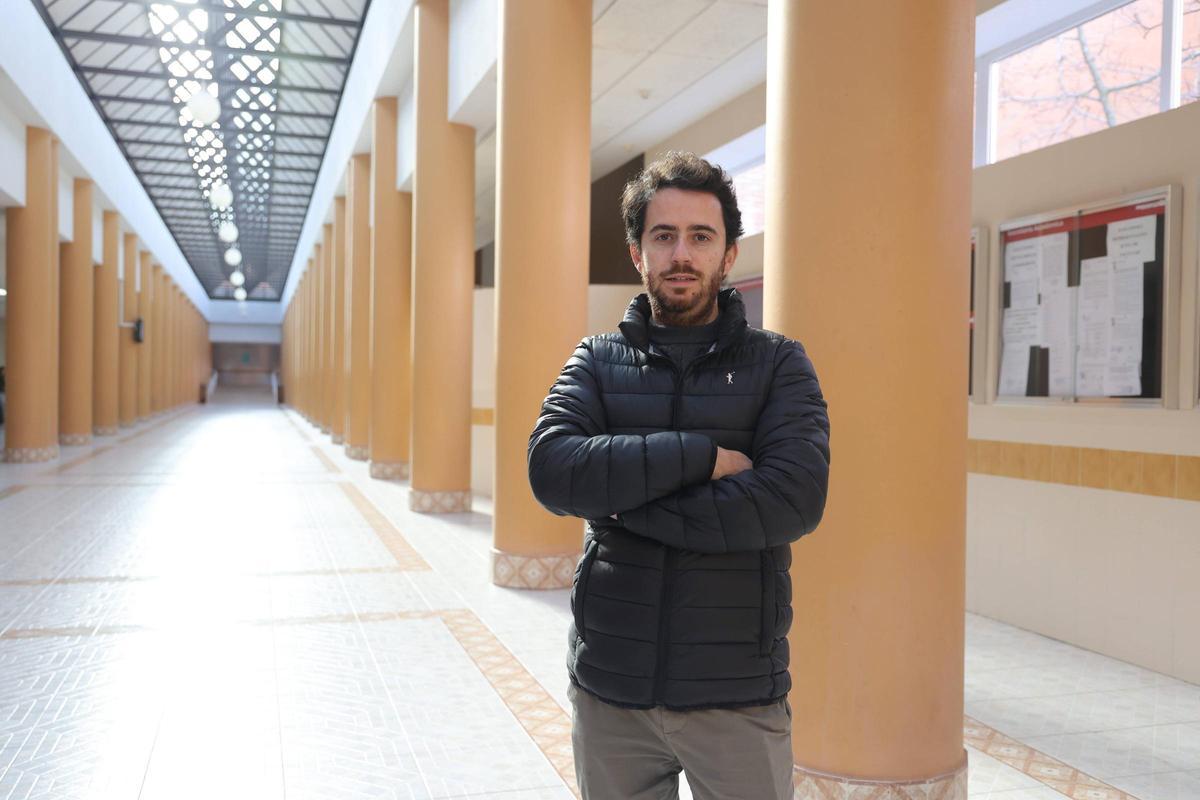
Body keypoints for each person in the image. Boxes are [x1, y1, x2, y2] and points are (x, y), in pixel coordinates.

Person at [527, 151, 831, 799]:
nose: (681, 253)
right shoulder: (596, 361)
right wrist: (696, 458)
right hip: (613, 695)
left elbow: (792, 500)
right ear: (638, 253)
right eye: (663, 236)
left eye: (701, 236)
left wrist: (620, 502)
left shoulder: (778, 365)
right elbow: (552, 470)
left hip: (736, 698)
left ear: (729, 254)